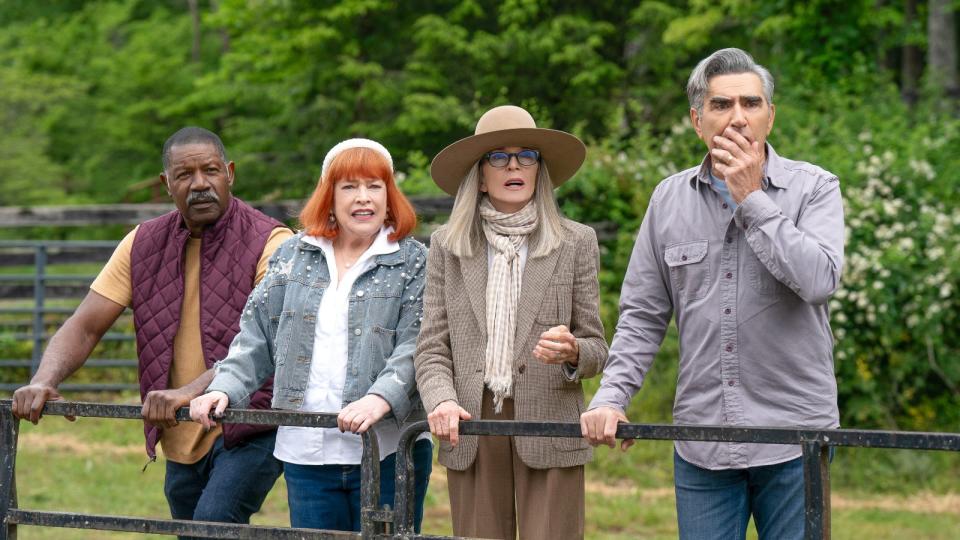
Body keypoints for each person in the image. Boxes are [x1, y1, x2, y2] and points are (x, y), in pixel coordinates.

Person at [580, 48, 845, 540]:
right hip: (701, 438)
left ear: (771, 115)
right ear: (697, 120)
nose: (738, 117)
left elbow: (818, 280)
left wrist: (752, 198)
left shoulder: (815, 189)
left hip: (795, 438)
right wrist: (611, 397)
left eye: (751, 103)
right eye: (722, 105)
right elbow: (641, 314)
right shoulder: (668, 199)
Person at [11, 127, 290, 531]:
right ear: (166, 184)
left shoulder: (273, 241)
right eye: (184, 175)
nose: (199, 184)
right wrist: (43, 379)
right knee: (189, 529)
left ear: (230, 173)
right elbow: (86, 325)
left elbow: (265, 341)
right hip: (179, 433)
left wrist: (188, 392)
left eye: (210, 171)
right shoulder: (142, 243)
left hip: (251, 425)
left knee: (213, 523)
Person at [189, 138, 432, 532]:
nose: (363, 198)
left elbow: (416, 343)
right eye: (349, 187)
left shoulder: (413, 261)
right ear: (329, 196)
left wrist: (379, 397)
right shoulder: (293, 256)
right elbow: (256, 337)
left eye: (375, 186)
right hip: (307, 452)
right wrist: (224, 387)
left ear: (390, 195)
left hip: (386, 452)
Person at [415, 105, 608, 540]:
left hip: (551, 419)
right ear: (480, 175)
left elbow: (597, 346)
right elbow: (431, 346)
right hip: (471, 419)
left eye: (527, 156)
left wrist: (574, 351)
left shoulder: (576, 241)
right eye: (499, 157)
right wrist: (441, 401)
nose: (514, 165)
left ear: (540, 171)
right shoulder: (448, 244)